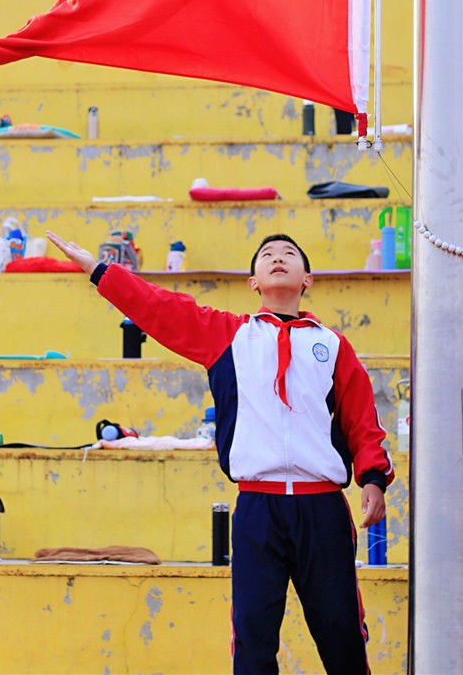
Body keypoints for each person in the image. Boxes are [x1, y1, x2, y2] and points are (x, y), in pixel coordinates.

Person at [46, 229, 394, 675]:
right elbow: (160, 309)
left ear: (308, 278)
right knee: (252, 636)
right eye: (267, 255)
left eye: (290, 254)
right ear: (253, 281)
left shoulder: (332, 345)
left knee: (342, 631)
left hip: (321, 507)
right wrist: (99, 271)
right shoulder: (230, 336)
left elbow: (361, 418)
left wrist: (373, 478)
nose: (278, 258)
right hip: (257, 507)